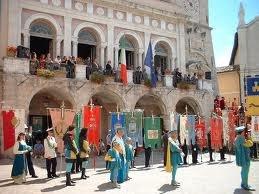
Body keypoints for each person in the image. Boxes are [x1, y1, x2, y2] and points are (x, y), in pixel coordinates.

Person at [234, 126, 255, 191]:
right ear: (242, 132)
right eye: (244, 131)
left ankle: (243, 183)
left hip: (242, 157)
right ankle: (245, 185)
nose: (244, 132)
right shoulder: (241, 138)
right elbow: (250, 144)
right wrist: (250, 138)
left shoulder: (237, 138)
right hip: (244, 157)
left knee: (243, 171)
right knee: (245, 171)